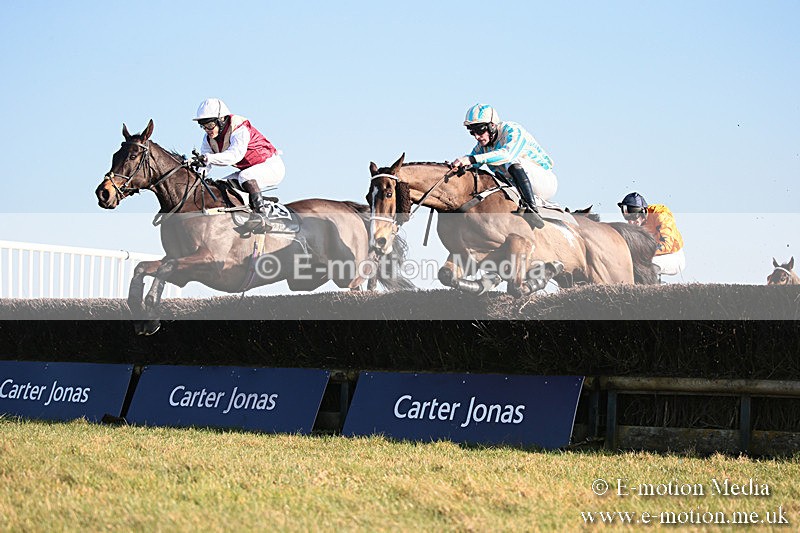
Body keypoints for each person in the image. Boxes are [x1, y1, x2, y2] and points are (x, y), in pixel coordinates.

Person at [450, 104, 558, 229]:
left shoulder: (512, 130)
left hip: (544, 182)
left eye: (479, 130)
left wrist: (471, 159)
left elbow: (507, 155)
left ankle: (532, 210)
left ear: (492, 125)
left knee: (511, 161)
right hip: (517, 185)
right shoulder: (482, 147)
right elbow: (472, 163)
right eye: (472, 132)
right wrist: (458, 165)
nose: (476, 136)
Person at [190, 98, 285, 233]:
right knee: (221, 184)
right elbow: (205, 166)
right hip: (249, 170)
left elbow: (234, 156)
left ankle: (261, 215)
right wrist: (196, 176)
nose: (207, 130)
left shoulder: (239, 129)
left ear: (221, 119)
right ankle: (244, 211)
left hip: (271, 166)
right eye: (203, 126)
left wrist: (208, 158)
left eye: (210, 124)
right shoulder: (207, 139)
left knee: (245, 176)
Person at [618, 192, 685, 278]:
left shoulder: (660, 215)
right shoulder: (638, 223)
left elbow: (667, 244)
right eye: (627, 217)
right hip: (651, 256)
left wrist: (642, 253)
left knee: (644, 265)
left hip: (673, 256)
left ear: (643, 212)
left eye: (634, 216)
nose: (630, 222)